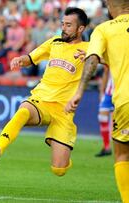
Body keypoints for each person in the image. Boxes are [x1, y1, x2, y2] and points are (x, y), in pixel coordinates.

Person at [0, 7, 89, 177]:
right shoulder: (54, 42)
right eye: (63, 24)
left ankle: (64, 160)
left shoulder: (89, 47)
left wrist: (92, 56)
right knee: (24, 111)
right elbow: (31, 58)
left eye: (69, 25)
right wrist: (20, 59)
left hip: (64, 111)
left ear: (81, 29)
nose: (63, 28)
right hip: (42, 99)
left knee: (59, 170)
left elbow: (112, 59)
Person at [65, 0, 129, 201]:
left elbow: (91, 61)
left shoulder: (103, 29)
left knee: (123, 155)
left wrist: (78, 92)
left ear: (110, 5)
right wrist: (104, 58)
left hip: (126, 100)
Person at [96, 66, 114, 157]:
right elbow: (106, 71)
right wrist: (102, 92)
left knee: (122, 122)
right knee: (102, 117)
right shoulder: (111, 57)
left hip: (122, 93)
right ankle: (107, 147)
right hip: (109, 93)